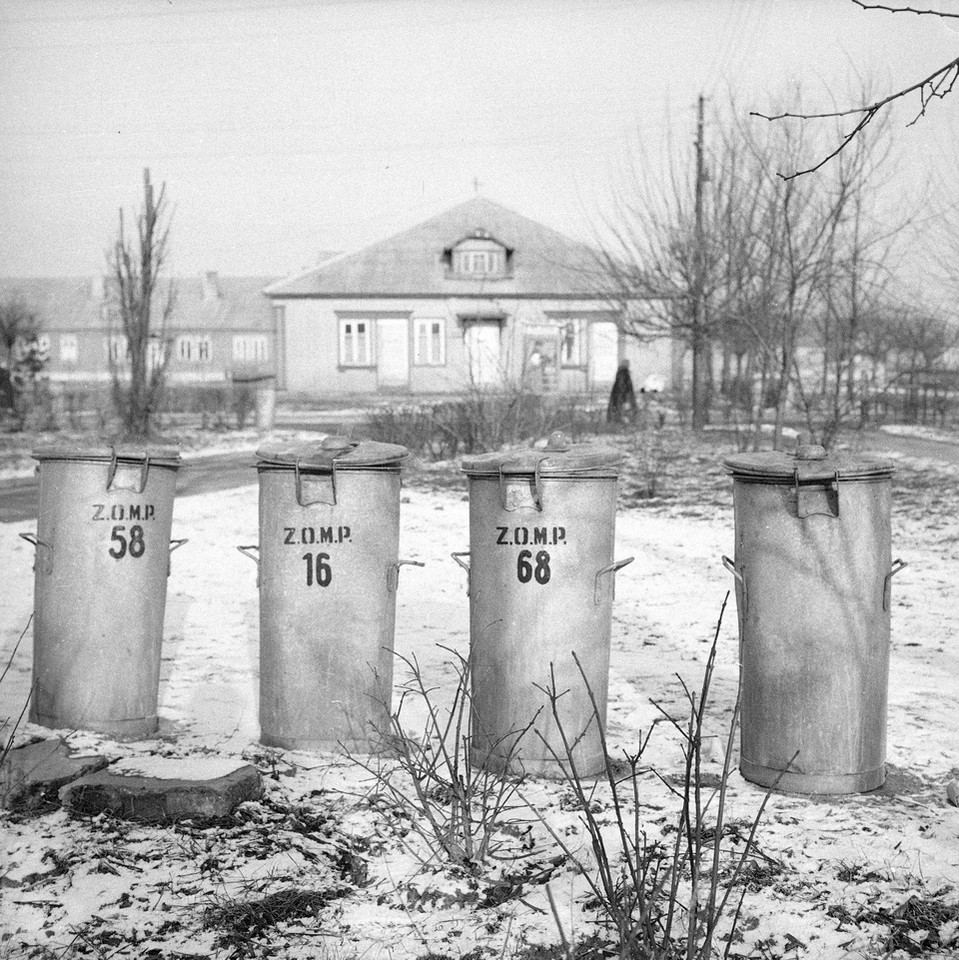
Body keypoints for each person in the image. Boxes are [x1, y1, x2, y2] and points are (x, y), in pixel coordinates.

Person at [607, 359, 636, 423]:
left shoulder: (621, 373)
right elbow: (623, 388)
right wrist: (626, 400)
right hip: (622, 400)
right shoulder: (624, 373)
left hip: (619, 399)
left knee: (618, 415)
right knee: (623, 415)